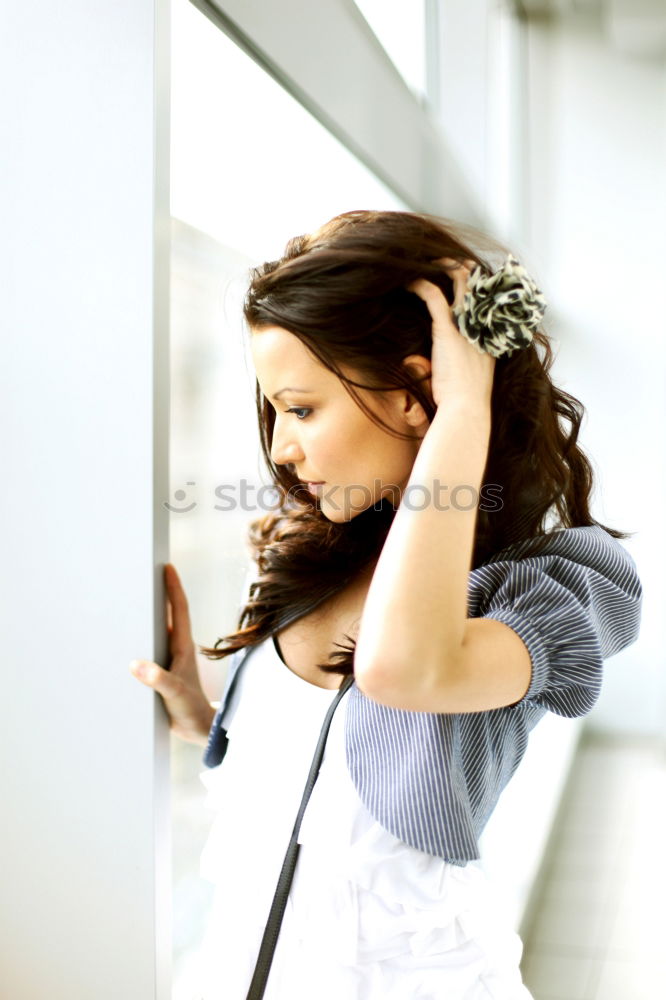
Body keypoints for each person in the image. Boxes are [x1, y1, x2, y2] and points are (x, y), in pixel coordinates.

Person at [130, 210, 642, 999]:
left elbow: (405, 670)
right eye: (274, 412)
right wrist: (210, 716)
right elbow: (312, 786)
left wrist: (463, 413)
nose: (279, 448)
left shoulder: (556, 584)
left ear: (414, 396)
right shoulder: (306, 549)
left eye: (300, 409)